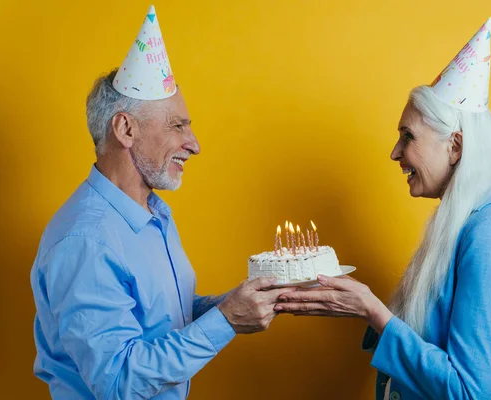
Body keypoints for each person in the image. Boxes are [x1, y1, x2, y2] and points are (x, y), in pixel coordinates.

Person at [275, 17, 491, 400]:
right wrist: (357, 303)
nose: (395, 153)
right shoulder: (464, 222)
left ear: (455, 146)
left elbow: (468, 391)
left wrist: (374, 311)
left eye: (408, 136)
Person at [30, 6, 294, 399]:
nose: (194, 144)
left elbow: (157, 322)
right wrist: (225, 320)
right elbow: (118, 380)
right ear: (126, 129)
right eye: (177, 125)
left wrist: (232, 304)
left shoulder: (153, 214)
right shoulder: (87, 240)